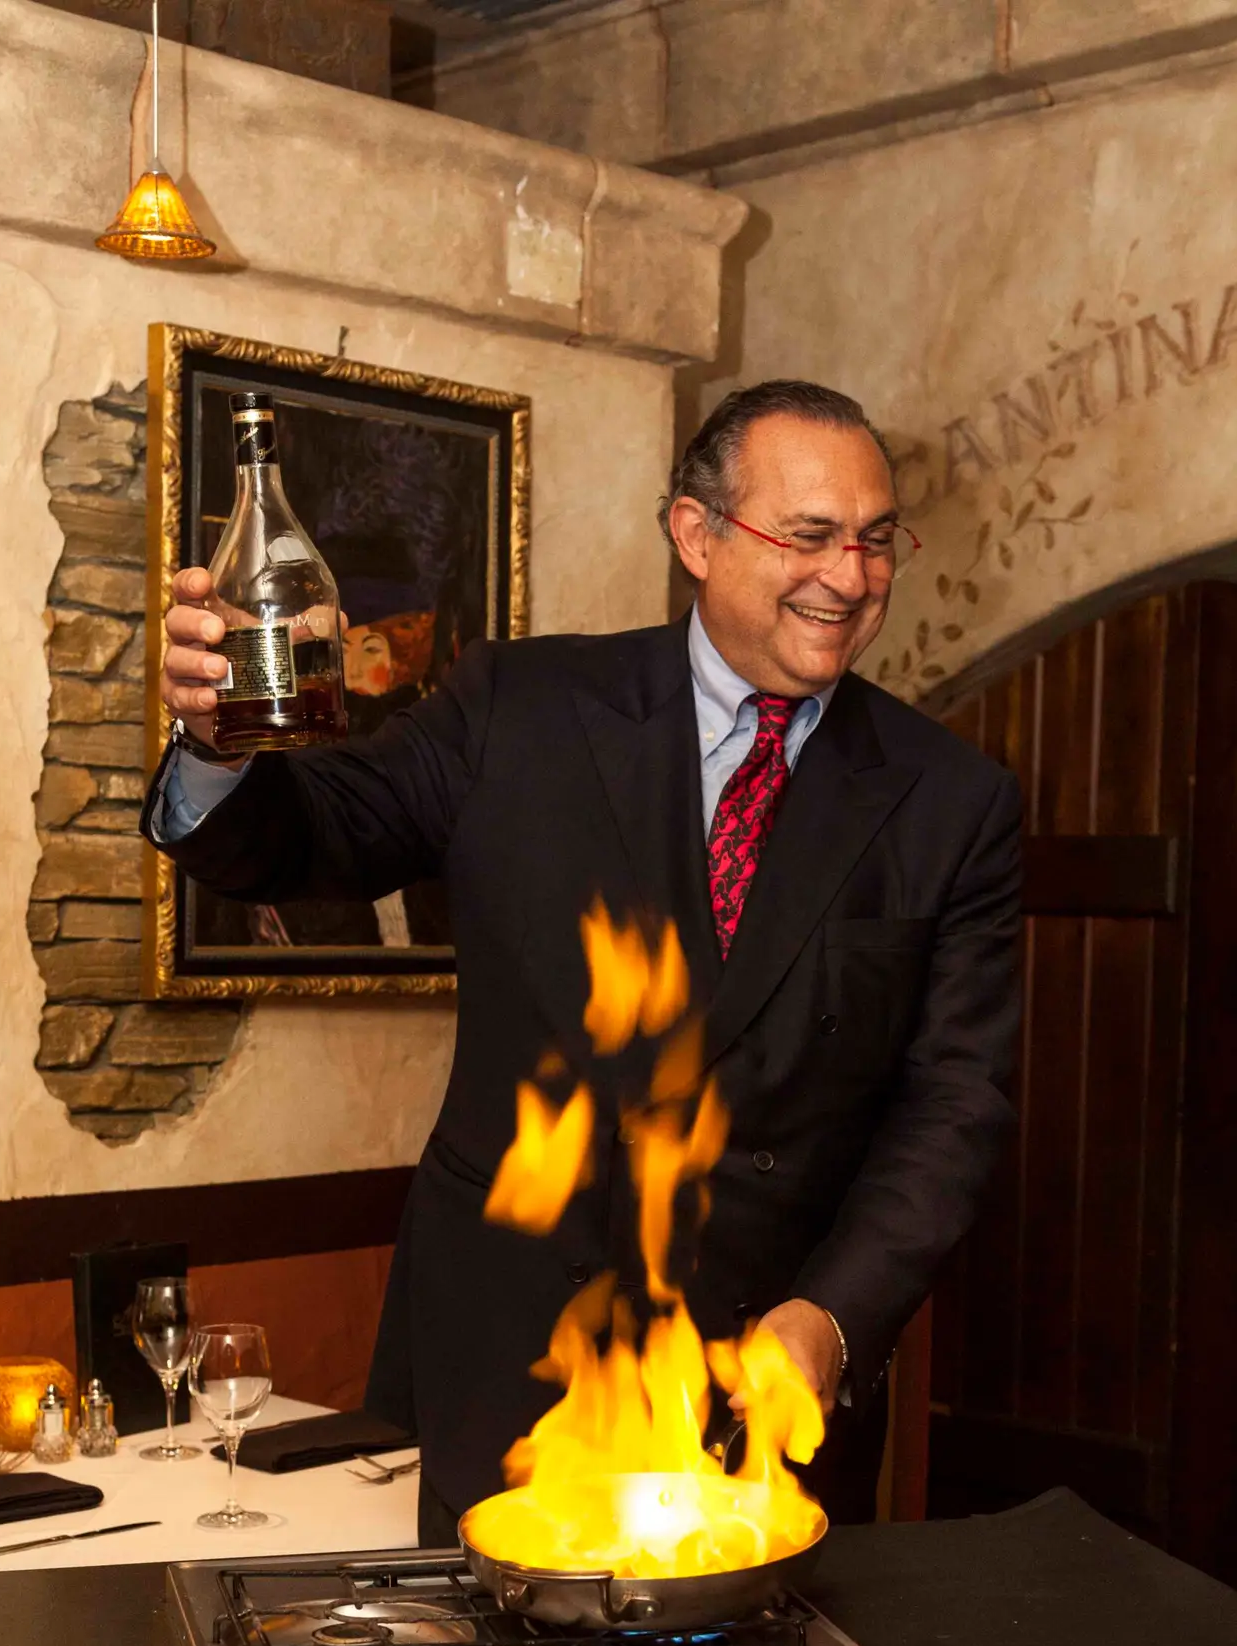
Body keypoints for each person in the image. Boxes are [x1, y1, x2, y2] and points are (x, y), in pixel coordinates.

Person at [143, 380, 1021, 1544]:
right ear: (694, 536)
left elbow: (954, 1105)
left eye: (872, 540)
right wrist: (217, 748)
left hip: (755, 1388)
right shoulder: (519, 707)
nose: (849, 577)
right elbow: (307, 838)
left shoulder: (952, 801)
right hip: (506, 1369)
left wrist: (833, 1317)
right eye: (807, 535)